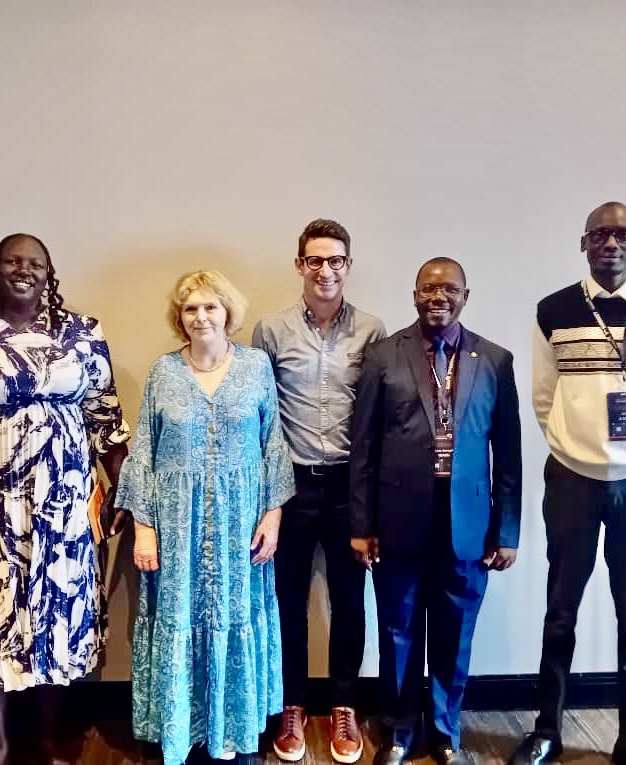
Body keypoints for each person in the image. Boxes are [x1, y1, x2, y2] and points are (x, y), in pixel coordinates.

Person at [0, 233, 130, 765]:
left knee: (59, 616)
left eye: (36, 262)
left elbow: (106, 416)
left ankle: (49, 737)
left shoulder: (81, 332)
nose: (24, 269)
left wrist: (123, 490)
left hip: (66, 507)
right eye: (13, 260)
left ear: (49, 272)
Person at [511, 202, 626, 765]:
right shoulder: (553, 310)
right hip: (571, 477)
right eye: (600, 234)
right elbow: (544, 400)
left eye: (623, 234)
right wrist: (578, 448)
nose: (611, 243)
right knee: (559, 608)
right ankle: (547, 730)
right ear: (583, 243)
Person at [116, 270, 295, 765]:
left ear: (227, 313)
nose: (201, 316)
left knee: (235, 617)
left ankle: (232, 732)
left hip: (243, 524)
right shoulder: (163, 372)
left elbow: (273, 448)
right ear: (180, 317)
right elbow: (144, 454)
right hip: (176, 527)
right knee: (179, 620)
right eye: (191, 308)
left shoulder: (257, 368)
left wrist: (273, 517)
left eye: (210, 307)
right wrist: (144, 530)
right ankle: (181, 731)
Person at [349, 258, 522, 765]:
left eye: (449, 288)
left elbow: (507, 454)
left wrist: (506, 529)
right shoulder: (384, 356)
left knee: (455, 633)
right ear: (415, 294)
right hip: (397, 521)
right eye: (428, 288)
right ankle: (400, 731)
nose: (438, 297)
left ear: (466, 295)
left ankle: (445, 732)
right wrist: (361, 525)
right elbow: (364, 447)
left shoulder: (494, 359)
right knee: (398, 633)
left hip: (468, 526)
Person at [252, 218, 385, 763]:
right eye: (315, 260)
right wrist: (266, 498)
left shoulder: (373, 331)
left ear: (348, 266)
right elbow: (259, 417)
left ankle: (345, 707)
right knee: (288, 602)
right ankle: (292, 705)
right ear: (300, 264)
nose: (325, 270)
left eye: (335, 261)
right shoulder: (271, 330)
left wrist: (372, 502)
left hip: (349, 487)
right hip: (291, 486)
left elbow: (378, 418)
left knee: (350, 603)